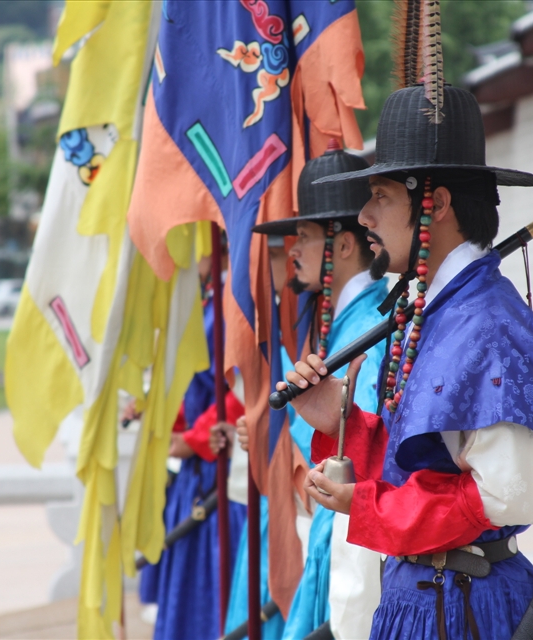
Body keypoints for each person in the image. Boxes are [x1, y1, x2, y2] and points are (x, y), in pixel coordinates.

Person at [280, 84, 533, 639]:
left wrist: (369, 506)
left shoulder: (493, 325)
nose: (364, 215)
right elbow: (423, 463)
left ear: (434, 204)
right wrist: (340, 419)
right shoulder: (434, 309)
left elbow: (507, 494)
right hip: (423, 598)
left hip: (466, 610)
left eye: (380, 197)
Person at [219, 142, 387, 639]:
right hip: (319, 523)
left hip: (341, 530)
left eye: (306, 237)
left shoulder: (369, 332)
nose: (292, 249)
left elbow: (357, 451)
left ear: (344, 245)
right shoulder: (338, 321)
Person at [139, 253, 247, 640]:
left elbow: (243, 387)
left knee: (213, 595)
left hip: (218, 467)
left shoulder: (232, 298)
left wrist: (194, 438)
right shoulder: (207, 294)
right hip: (197, 469)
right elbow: (190, 385)